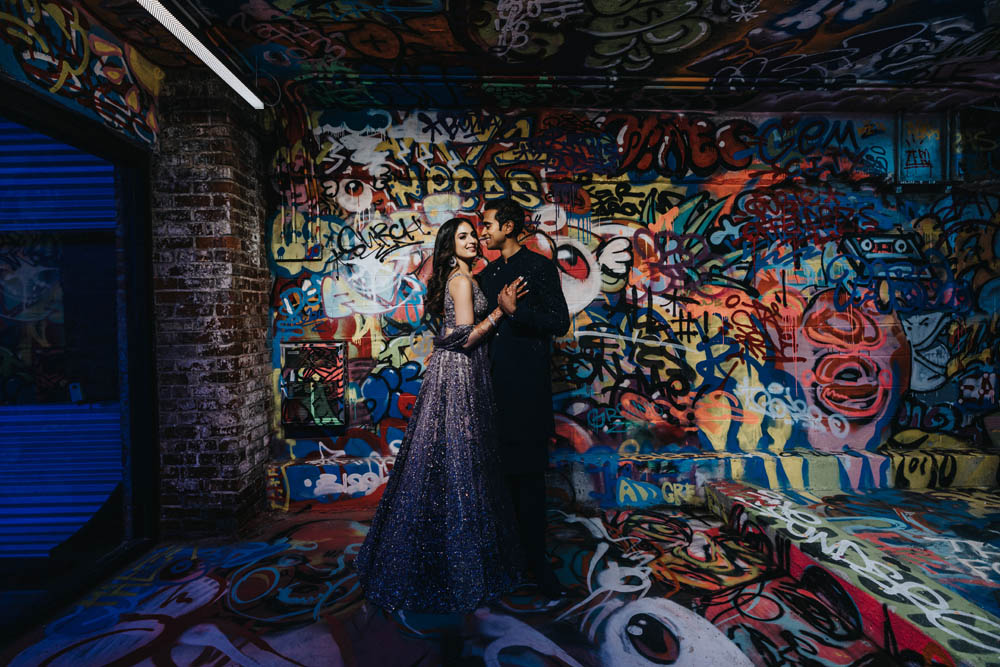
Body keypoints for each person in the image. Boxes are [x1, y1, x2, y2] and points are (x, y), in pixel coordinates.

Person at [355, 217, 527, 613]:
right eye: (462, 237)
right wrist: (501, 312)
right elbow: (465, 337)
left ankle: (437, 553)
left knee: (448, 461)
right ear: (449, 246)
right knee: (461, 462)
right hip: (460, 373)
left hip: (460, 370)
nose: (471, 240)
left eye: (472, 235)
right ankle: (450, 565)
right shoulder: (462, 281)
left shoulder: (463, 277)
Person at [478, 198, 571, 597]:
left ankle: (537, 564)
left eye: (488, 224)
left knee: (529, 481)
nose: (483, 231)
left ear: (511, 226)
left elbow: (560, 322)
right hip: (489, 390)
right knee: (496, 480)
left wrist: (517, 313)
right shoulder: (487, 274)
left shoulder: (538, 268)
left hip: (527, 392)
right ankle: (504, 559)